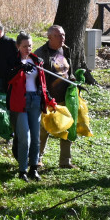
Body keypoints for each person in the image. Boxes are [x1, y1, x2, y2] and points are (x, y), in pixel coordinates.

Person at [7, 32, 56, 181]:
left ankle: (33, 169)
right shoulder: (13, 61)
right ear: (18, 46)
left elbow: (42, 84)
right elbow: (8, 79)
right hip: (19, 102)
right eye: (24, 46)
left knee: (35, 137)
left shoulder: (36, 61)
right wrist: (20, 69)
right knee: (24, 138)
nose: (27, 49)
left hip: (35, 100)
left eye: (29, 45)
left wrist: (49, 99)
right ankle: (22, 170)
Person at [35, 24, 76, 169]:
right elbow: (37, 78)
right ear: (49, 37)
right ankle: (37, 159)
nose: (62, 38)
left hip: (65, 97)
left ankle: (65, 161)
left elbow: (68, 70)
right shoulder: (41, 53)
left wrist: (73, 79)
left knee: (67, 126)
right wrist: (44, 96)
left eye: (63, 35)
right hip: (48, 98)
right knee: (43, 130)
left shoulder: (66, 50)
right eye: (58, 36)